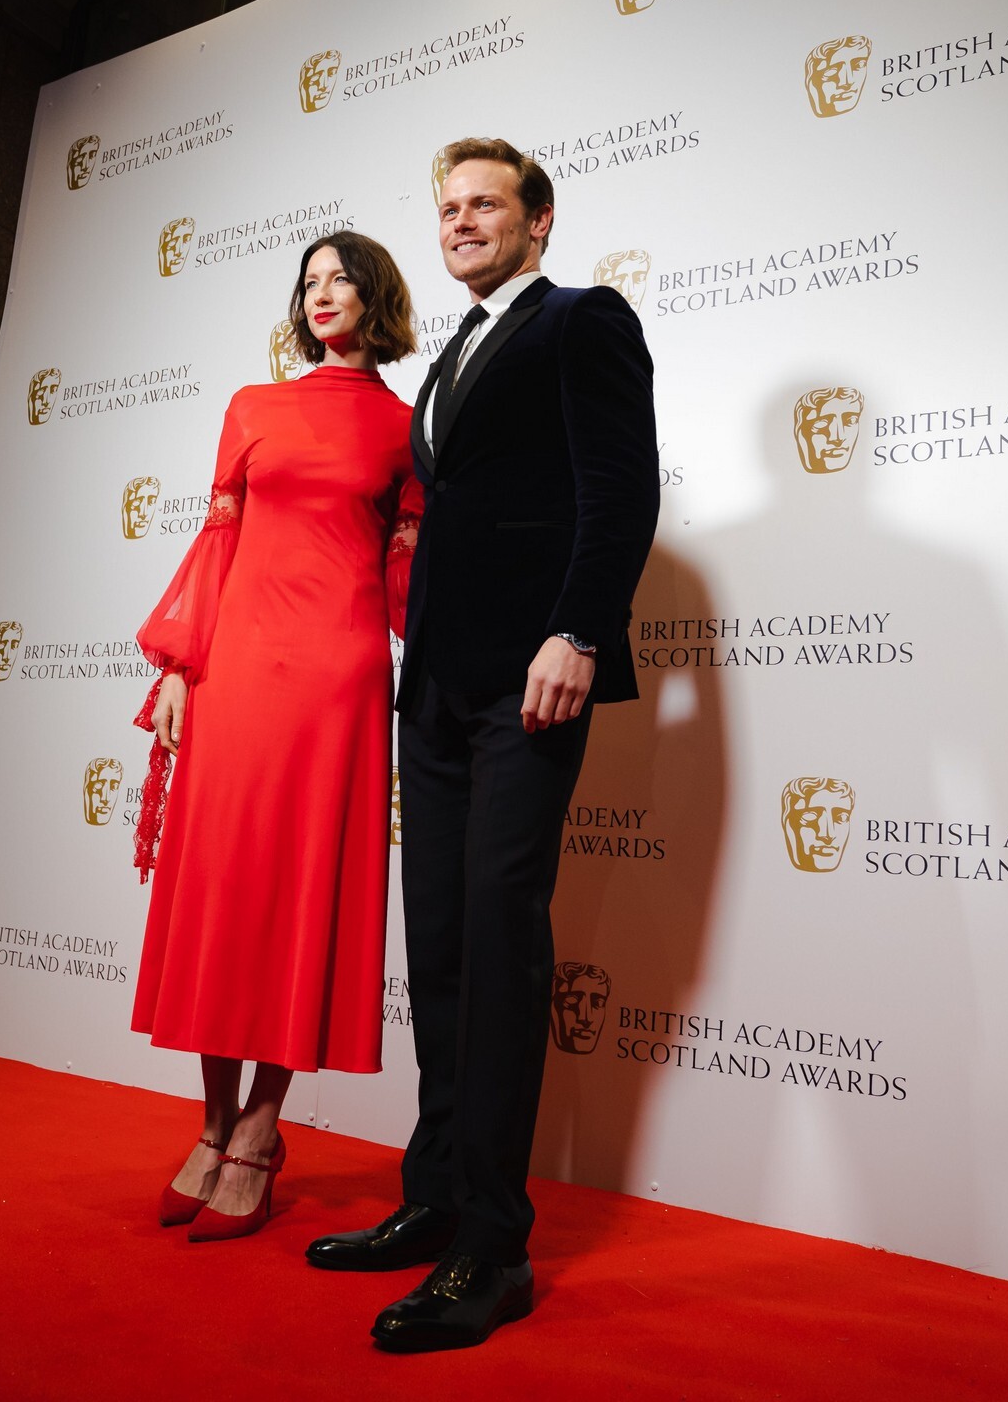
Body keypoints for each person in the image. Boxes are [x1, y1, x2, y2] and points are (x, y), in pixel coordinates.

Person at [306, 139, 658, 1351]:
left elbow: (620, 489)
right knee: (445, 947)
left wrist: (580, 630)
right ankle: (438, 1196)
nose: (460, 222)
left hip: (532, 679)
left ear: (539, 220)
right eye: (447, 207)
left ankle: (494, 1246)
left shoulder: (581, 320)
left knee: (501, 942)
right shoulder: (451, 351)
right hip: (440, 690)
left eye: (485, 204)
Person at [131, 231, 422, 1243]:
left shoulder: (406, 427)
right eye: (309, 282)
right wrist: (179, 665)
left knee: (299, 894)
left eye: (341, 279)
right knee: (225, 886)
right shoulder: (252, 407)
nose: (321, 295)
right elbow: (217, 541)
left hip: (337, 678)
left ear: (377, 298)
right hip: (241, 669)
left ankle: (260, 1128)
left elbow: (409, 570)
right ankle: (213, 1122)